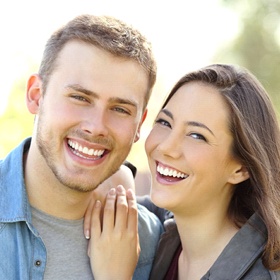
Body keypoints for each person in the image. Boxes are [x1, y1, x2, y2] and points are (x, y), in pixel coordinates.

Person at [0, 14, 162, 280]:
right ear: (36, 96)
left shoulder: (152, 242)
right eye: (79, 97)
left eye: (120, 109)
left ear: (138, 126)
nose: (96, 126)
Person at [87, 64, 280, 279]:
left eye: (197, 136)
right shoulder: (167, 232)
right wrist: (121, 177)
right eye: (164, 122)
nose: (166, 147)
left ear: (241, 168)